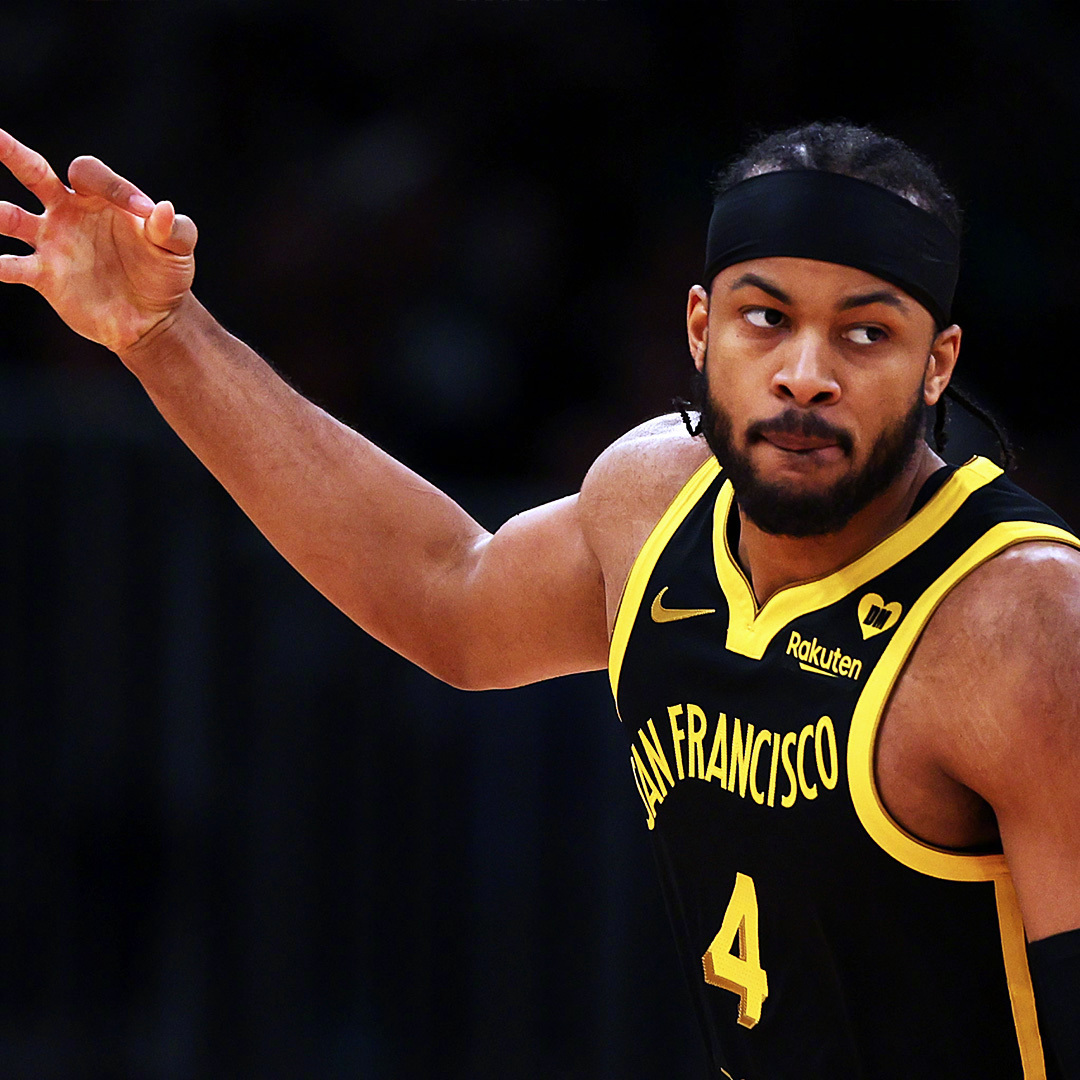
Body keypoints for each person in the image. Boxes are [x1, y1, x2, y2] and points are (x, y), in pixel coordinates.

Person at [1, 119, 1077, 1079]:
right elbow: (442, 591)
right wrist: (163, 335)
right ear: (700, 330)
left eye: (865, 333)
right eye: (766, 318)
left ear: (937, 365)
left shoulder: (1023, 627)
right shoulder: (654, 502)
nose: (806, 373)